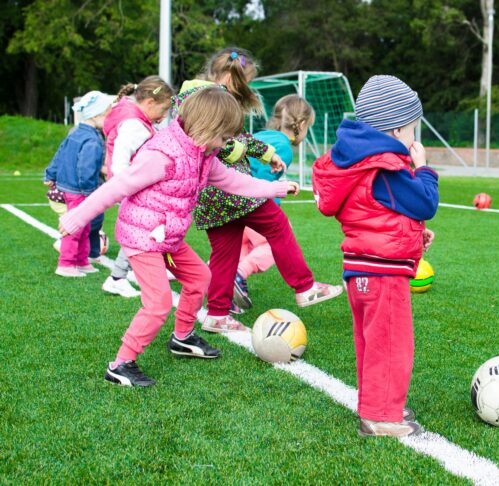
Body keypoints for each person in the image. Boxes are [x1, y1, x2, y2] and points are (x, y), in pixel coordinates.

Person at [58, 87, 299, 387]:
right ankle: (120, 364)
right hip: (142, 237)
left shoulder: (204, 154)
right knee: (158, 302)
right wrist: (77, 218)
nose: (228, 145)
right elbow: (117, 187)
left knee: (200, 278)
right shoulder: (162, 155)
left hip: (168, 237)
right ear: (207, 127)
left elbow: (233, 181)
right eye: (225, 137)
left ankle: (182, 338)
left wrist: (275, 188)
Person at [174, 48, 342, 333]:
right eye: (244, 82)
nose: (245, 89)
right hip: (230, 189)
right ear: (229, 77)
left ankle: (216, 314)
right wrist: (246, 154)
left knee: (225, 253)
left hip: (210, 195)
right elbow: (220, 143)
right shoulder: (209, 99)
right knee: (277, 225)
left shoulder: (195, 95)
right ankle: (304, 287)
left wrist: (267, 154)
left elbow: (237, 137)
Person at [312, 75, 439, 437]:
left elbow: (377, 212)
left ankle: (377, 403)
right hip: (382, 274)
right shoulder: (385, 166)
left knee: (372, 344)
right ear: (397, 128)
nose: (414, 138)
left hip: (362, 269)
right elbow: (425, 201)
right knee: (390, 344)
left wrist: (414, 236)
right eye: (413, 129)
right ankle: (381, 417)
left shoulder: (358, 162)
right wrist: (424, 168)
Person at [232, 94, 317, 311]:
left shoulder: (261, 135)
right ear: (303, 124)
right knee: (274, 243)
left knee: (239, 247)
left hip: (231, 201)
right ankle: (239, 275)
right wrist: (278, 190)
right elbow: (261, 178)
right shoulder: (284, 148)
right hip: (252, 204)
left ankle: (225, 293)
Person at [100, 75, 175, 298]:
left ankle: (137, 270)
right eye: (163, 110)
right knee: (141, 231)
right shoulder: (134, 125)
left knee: (150, 228)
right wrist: (127, 186)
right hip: (132, 188)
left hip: (134, 186)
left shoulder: (136, 119)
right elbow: (121, 159)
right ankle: (117, 277)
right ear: (150, 103)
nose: (163, 118)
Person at [45, 90, 116, 277]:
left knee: (84, 226)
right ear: (97, 115)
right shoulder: (92, 139)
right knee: (76, 227)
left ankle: (82, 261)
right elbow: (86, 168)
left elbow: (59, 153)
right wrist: (90, 191)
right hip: (81, 190)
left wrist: (50, 173)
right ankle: (66, 264)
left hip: (72, 187)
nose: (109, 119)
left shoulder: (75, 131)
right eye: (107, 114)